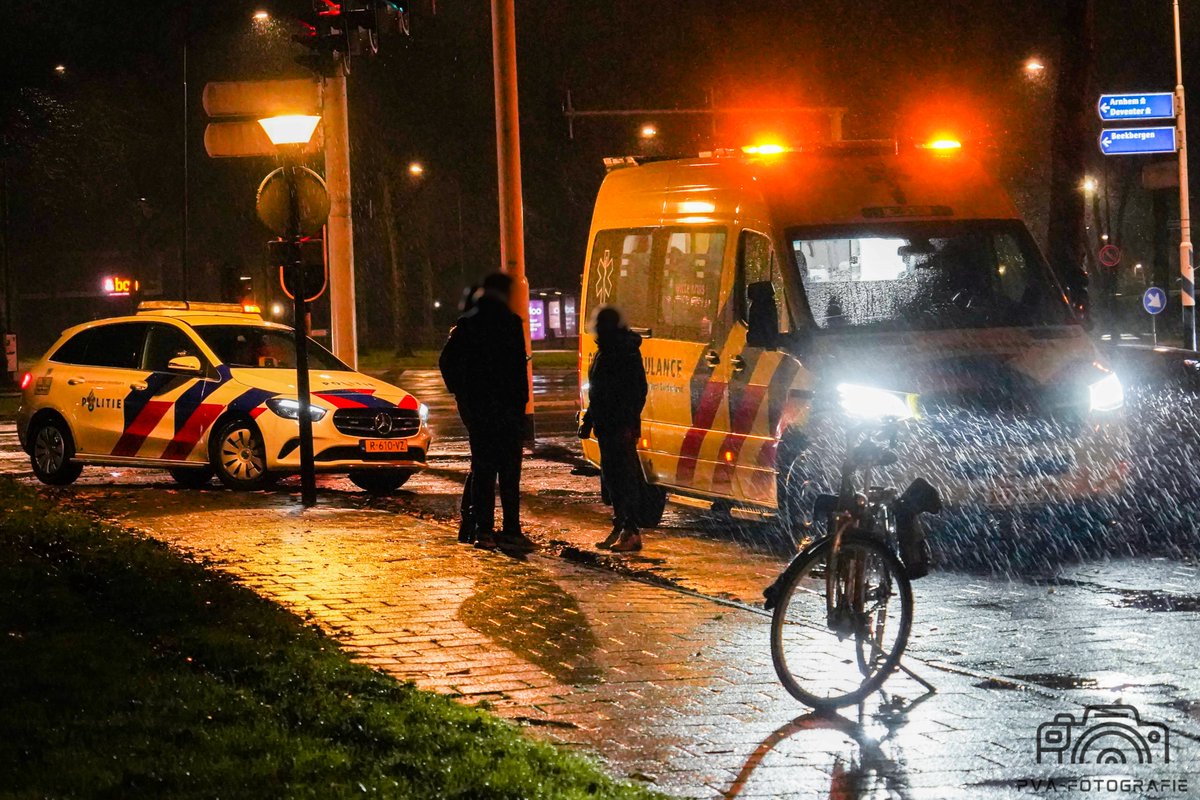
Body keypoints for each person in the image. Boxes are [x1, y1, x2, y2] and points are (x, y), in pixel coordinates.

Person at [438, 272, 531, 550]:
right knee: (510, 473)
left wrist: (464, 395)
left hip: (480, 412)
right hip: (508, 411)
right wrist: (520, 408)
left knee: (484, 470)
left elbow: (447, 362)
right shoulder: (511, 324)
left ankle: (483, 529)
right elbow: (518, 372)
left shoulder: (468, 325)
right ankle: (512, 529)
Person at [579, 306, 648, 552]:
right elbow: (598, 392)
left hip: (619, 425)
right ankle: (621, 526)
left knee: (622, 477)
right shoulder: (607, 350)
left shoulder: (622, 352)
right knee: (612, 477)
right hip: (608, 424)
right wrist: (589, 420)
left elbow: (635, 392)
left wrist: (626, 421)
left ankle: (630, 530)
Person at [443, 284, 480, 544]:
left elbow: (447, 364)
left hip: (474, 403)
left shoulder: (463, 332)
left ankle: (470, 520)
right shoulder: (471, 333)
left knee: (481, 462)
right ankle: (471, 519)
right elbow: (448, 364)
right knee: (482, 463)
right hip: (478, 405)